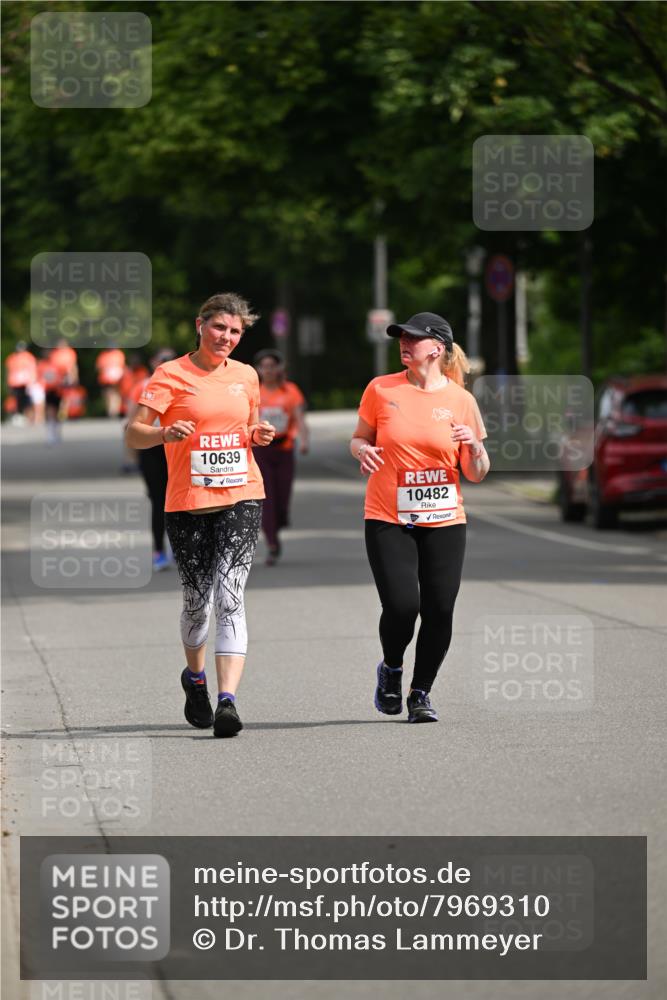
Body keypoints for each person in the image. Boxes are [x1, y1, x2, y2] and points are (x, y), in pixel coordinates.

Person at [125, 293, 276, 738]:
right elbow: (134, 433)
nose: (227, 338)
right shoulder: (170, 375)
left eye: (235, 332)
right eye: (219, 328)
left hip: (242, 494)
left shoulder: (247, 376)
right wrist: (164, 432)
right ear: (200, 325)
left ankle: (228, 701)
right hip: (188, 501)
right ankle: (195, 679)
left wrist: (258, 433)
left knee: (230, 594)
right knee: (198, 603)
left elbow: (248, 425)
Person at [350, 312, 490, 724]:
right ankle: (392, 668)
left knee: (440, 608)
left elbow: (477, 473)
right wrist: (362, 451)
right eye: (401, 338)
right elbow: (359, 437)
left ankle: (421, 692)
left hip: (445, 518)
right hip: (388, 516)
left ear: (438, 348)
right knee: (402, 605)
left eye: (413, 338)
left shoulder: (461, 400)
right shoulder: (381, 389)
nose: (404, 343)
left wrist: (475, 448)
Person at [252, 348, 309, 565]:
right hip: (261, 450)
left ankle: (279, 520)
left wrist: (303, 440)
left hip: (284, 448)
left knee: (282, 497)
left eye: (271, 366)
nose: (267, 370)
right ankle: (273, 543)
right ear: (258, 369)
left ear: (279, 368)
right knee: (267, 498)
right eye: (263, 366)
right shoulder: (254, 392)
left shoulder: (290, 391)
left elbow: (299, 418)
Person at [126, 348, 176, 572]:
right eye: (161, 360)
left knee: (179, 499)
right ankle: (159, 550)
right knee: (158, 501)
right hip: (150, 449)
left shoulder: (183, 383)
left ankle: (181, 546)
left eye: (169, 360)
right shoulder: (141, 385)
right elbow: (130, 423)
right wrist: (133, 455)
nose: (164, 363)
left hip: (177, 448)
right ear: (153, 362)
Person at [5, 342, 37, 423]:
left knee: (27, 401)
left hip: (25, 383)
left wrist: (31, 383)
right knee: (16, 401)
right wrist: (8, 383)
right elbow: (9, 371)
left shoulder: (28, 357)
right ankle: (18, 416)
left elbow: (32, 370)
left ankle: (30, 418)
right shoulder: (12, 358)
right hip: (15, 383)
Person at [96, 346, 126, 418]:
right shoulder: (104, 355)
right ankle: (112, 411)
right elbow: (99, 367)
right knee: (109, 395)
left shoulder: (118, 354)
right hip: (106, 379)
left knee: (114, 395)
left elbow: (121, 367)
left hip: (116, 379)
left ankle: (113, 411)